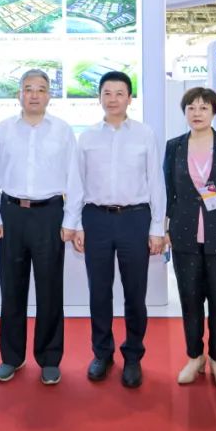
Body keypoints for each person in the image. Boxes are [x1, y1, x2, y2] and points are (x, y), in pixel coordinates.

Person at [65, 71, 166, 389]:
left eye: (119, 93)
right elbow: (76, 182)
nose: (113, 99)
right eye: (107, 93)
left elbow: (156, 182)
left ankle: (133, 355)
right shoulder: (87, 137)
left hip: (135, 218)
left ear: (129, 98)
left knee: (135, 293)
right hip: (96, 219)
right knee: (99, 291)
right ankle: (102, 353)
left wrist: (157, 227)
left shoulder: (145, 134)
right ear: (99, 98)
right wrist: (75, 223)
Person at [0, 69, 80, 386]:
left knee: (50, 290)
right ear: (19, 95)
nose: (34, 95)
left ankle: (50, 359)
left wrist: (70, 220)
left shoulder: (62, 131)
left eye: (41, 89)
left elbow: (74, 178)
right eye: (28, 89)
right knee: (12, 289)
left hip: (49, 214)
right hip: (12, 214)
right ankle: (11, 357)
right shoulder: (3, 130)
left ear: (49, 95)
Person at [162, 87, 216, 392]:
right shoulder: (174, 146)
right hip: (184, 235)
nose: (197, 113)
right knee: (190, 301)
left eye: (203, 108)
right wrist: (164, 229)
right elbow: (167, 192)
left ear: (214, 111)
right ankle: (194, 357)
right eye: (191, 108)